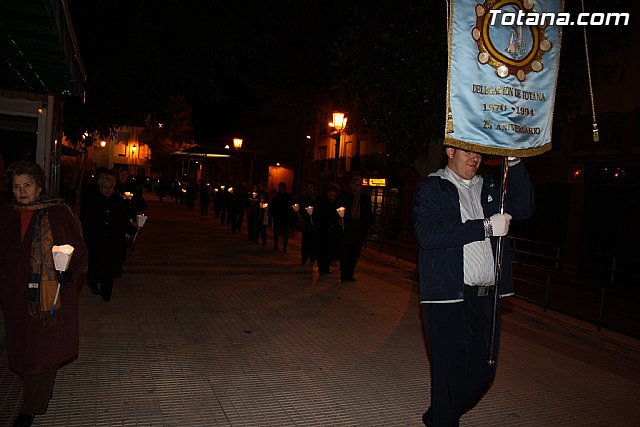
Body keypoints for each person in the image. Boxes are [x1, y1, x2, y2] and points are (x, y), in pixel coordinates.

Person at [412, 148, 534, 426]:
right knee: (449, 372)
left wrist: (514, 161)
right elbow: (428, 235)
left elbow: (524, 207)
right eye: (467, 151)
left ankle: (439, 415)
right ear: (449, 150)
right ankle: (444, 418)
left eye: (479, 153)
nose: (474, 158)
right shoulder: (433, 188)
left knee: (484, 371)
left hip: (487, 298)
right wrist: (486, 227)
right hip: (447, 297)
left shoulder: (490, 186)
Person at [0, 160, 88, 427]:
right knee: (24, 349)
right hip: (15, 296)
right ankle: (40, 390)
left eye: (27, 185)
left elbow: (78, 248)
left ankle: (30, 407)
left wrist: (69, 272)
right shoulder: (6, 214)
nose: (21, 192)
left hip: (49, 293)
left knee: (42, 349)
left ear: (39, 188)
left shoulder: (57, 213)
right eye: (16, 187)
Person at [80, 173, 138, 302]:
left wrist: (133, 230)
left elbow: (123, 219)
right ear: (100, 187)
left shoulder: (118, 201)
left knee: (111, 265)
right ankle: (93, 282)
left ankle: (106, 291)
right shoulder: (92, 200)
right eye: (105, 187)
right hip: (95, 239)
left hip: (113, 239)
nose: (108, 190)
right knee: (95, 263)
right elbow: (84, 220)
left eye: (111, 187)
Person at [335, 176, 371, 283]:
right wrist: (339, 219)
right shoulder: (344, 196)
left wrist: (366, 228)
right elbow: (337, 209)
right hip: (347, 229)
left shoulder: (365, 199)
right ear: (351, 185)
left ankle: (350, 274)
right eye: (355, 184)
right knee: (345, 254)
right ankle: (344, 275)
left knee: (355, 254)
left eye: (359, 184)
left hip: (358, 230)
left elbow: (368, 215)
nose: (357, 186)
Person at [313, 183, 341, 277]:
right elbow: (318, 215)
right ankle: (322, 268)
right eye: (331, 195)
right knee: (322, 250)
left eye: (334, 195)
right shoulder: (321, 201)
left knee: (330, 250)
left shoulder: (336, 202)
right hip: (323, 230)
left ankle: (326, 267)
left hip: (332, 230)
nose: (333, 197)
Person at [268, 181, 295, 254]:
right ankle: (275, 245)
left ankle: (284, 249)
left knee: (285, 234)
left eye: (283, 188)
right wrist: (271, 216)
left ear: (285, 188)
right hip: (278, 218)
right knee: (276, 233)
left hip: (286, 218)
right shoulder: (276, 197)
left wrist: (292, 215)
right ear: (279, 188)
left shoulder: (289, 197)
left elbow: (293, 207)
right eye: (281, 188)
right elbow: (272, 207)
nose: (282, 189)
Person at [298, 180, 318, 265]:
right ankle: (304, 258)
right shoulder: (304, 198)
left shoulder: (317, 197)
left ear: (314, 188)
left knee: (313, 241)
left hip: (315, 223)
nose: (309, 189)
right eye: (308, 187)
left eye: (311, 187)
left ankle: (312, 257)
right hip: (306, 223)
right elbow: (300, 209)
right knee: (305, 241)